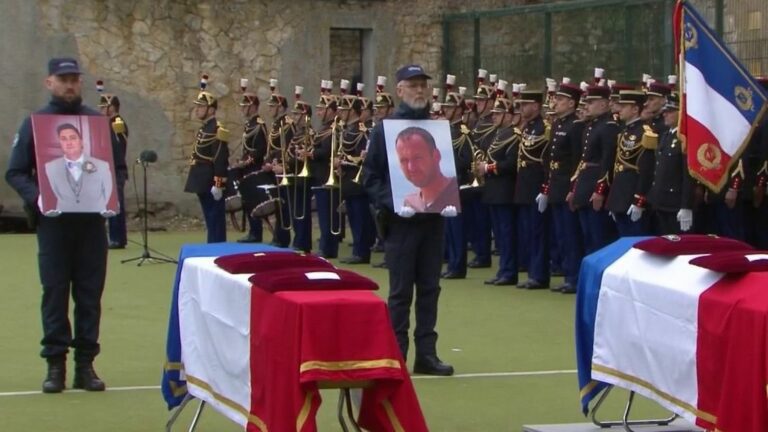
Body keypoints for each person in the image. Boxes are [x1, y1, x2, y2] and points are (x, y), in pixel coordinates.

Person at [5, 57, 108, 393]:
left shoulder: (96, 122)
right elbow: (15, 172)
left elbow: (115, 168)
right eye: (63, 79)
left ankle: (85, 365)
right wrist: (40, 197)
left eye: (74, 79)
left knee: (90, 295)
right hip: (54, 224)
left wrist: (110, 196)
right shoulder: (36, 123)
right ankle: (55, 365)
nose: (69, 85)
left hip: (91, 223)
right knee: (55, 292)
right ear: (49, 82)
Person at [363, 64, 454, 376]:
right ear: (398, 89)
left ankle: (426, 353)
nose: (419, 91)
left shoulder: (438, 128)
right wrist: (392, 202)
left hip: (432, 220)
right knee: (401, 292)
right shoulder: (384, 129)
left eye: (422, 85)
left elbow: (449, 171)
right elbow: (370, 178)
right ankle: (396, 353)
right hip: (400, 222)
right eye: (412, 85)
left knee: (430, 288)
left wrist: (452, 196)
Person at [537, 82, 585, 294]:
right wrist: (547, 187)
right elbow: (550, 158)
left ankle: (574, 277)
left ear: (572, 103)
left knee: (570, 234)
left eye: (561, 99)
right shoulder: (558, 124)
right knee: (561, 235)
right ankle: (567, 273)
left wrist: (573, 188)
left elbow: (577, 161)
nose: (555, 103)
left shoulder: (576, 125)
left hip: (567, 184)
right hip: (556, 184)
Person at [184, 75, 230, 243]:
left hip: (210, 181)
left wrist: (218, 184)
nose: (198, 109)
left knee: (215, 219)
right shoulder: (205, 129)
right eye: (197, 106)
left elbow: (220, 158)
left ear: (211, 109)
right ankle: (213, 245)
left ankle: (216, 246)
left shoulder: (217, 129)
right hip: (201, 179)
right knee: (210, 218)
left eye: (201, 106)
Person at [606, 90, 656, 236]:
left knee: (636, 244)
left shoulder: (645, 133)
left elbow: (646, 170)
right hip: (620, 198)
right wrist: (614, 201)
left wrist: (639, 200)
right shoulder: (624, 131)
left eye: (624, 106)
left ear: (635, 109)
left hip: (632, 198)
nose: (619, 109)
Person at [44, 123, 114, 213]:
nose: (69, 143)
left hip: (94, 217)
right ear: (60, 143)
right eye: (63, 139)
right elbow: (55, 192)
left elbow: (107, 193)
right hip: (64, 217)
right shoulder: (50, 167)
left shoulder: (102, 166)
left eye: (73, 138)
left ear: (81, 141)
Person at [396, 127, 460, 213]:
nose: (411, 167)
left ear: (436, 156)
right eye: (404, 160)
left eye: (418, 158)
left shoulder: (458, 192)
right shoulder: (410, 204)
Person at [97, 85, 129, 249]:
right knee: (109, 204)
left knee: (115, 204)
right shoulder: (106, 123)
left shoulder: (117, 123)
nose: (102, 110)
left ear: (112, 107)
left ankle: (117, 238)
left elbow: (118, 146)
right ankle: (115, 236)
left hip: (115, 168)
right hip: (105, 168)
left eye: (105, 107)